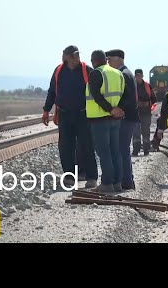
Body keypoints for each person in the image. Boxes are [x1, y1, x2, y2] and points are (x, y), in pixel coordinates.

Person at [42, 45, 98, 188]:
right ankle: (69, 177)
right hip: (65, 114)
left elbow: (97, 92)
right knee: (65, 146)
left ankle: (91, 177)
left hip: (83, 114)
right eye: (72, 56)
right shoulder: (59, 71)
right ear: (65, 57)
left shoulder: (87, 70)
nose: (75, 59)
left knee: (87, 145)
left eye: (77, 56)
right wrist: (46, 110)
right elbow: (52, 91)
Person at [86, 50, 125, 193]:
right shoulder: (117, 73)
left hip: (100, 119)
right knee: (115, 151)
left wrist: (110, 109)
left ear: (94, 61)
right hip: (115, 119)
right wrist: (118, 110)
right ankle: (117, 183)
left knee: (104, 152)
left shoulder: (96, 73)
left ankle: (107, 183)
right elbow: (124, 94)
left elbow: (96, 96)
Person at [105, 49, 139, 190]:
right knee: (122, 149)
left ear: (118, 59)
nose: (108, 62)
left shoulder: (123, 74)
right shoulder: (127, 73)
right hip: (128, 117)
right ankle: (127, 180)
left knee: (121, 149)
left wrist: (118, 110)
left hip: (126, 118)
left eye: (109, 59)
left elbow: (127, 98)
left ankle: (126, 181)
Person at [132, 68, 157, 156]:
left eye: (139, 75)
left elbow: (154, 98)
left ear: (142, 76)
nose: (138, 77)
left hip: (146, 113)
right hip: (135, 113)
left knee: (146, 131)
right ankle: (136, 150)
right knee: (135, 132)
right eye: (136, 75)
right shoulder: (132, 86)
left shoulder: (147, 86)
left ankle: (146, 150)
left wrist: (147, 103)